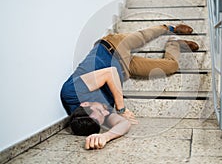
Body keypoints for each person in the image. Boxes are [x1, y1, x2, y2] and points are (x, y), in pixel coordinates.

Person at [60, 24, 199, 149]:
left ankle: (170, 28)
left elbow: (110, 73)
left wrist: (121, 109)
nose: (106, 111)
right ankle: (174, 43)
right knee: (171, 67)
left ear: (85, 103)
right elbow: (123, 124)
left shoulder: (71, 92)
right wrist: (105, 137)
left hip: (112, 47)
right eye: (103, 117)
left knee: (145, 36)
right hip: (125, 67)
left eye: (100, 110)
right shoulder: (94, 115)